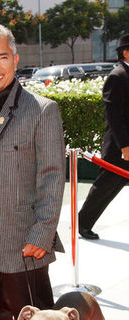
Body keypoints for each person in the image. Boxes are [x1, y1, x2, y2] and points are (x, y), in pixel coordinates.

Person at [0, 21, 66, 320]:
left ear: (15, 60)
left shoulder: (42, 110)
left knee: (34, 314)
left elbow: (53, 177)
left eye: (2, 57)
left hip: (23, 240)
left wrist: (42, 234)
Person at [78, 34, 129, 240]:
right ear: (125, 52)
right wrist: (125, 146)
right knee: (105, 187)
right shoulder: (117, 76)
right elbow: (113, 116)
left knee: (111, 186)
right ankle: (82, 223)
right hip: (120, 147)